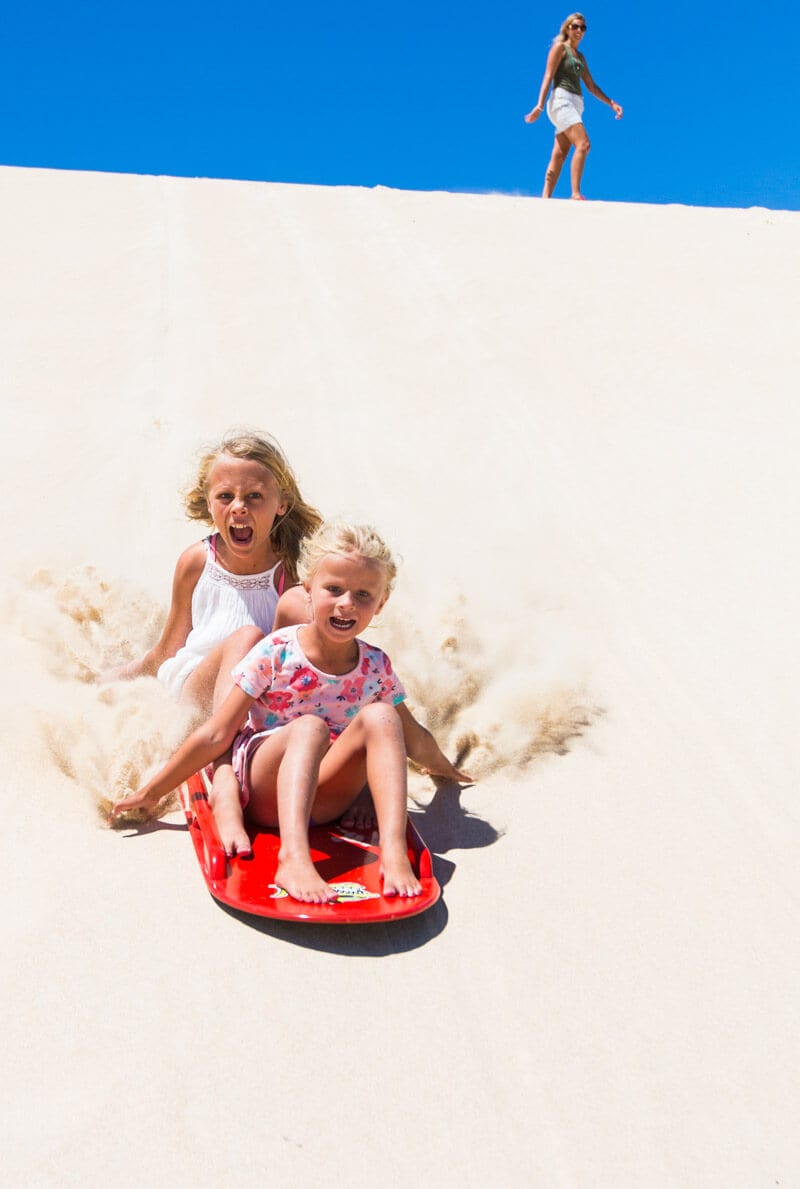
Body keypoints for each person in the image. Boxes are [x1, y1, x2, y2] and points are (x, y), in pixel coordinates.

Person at [111, 521, 473, 903]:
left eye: (363, 595)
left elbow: (411, 735)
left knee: (383, 716)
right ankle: (293, 857)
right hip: (264, 791)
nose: (347, 603)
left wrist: (446, 771)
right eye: (333, 589)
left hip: (326, 796)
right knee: (310, 728)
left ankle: (394, 850)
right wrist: (150, 792)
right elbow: (218, 733)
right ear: (307, 590)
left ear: (380, 603)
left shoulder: (374, 667)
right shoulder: (278, 651)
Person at [103, 429, 322, 714]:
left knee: (255, 652)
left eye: (254, 495)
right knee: (247, 638)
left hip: (256, 703)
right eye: (225, 496)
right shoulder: (196, 563)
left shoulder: (293, 575)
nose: (239, 507)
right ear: (209, 503)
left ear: (281, 503)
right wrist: (118, 678)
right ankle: (222, 745)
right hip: (195, 689)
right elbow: (168, 649)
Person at [524, 13, 623, 199]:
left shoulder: (581, 57)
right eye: (575, 26)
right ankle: (576, 193)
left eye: (583, 28)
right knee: (583, 144)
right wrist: (539, 106)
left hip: (576, 104)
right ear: (567, 28)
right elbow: (548, 75)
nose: (579, 30)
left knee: (560, 154)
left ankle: (545, 198)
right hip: (562, 100)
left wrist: (611, 103)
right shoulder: (560, 48)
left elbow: (591, 86)